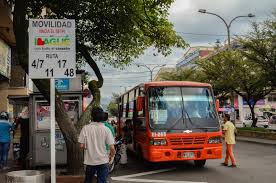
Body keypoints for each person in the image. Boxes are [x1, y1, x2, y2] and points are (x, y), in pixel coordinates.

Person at [79, 107, 115, 183]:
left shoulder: (85, 128)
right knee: (102, 181)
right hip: (103, 160)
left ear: (92, 116)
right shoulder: (106, 129)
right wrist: (111, 156)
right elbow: (112, 147)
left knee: (88, 180)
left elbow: (81, 146)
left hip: (90, 161)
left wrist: (90, 146)